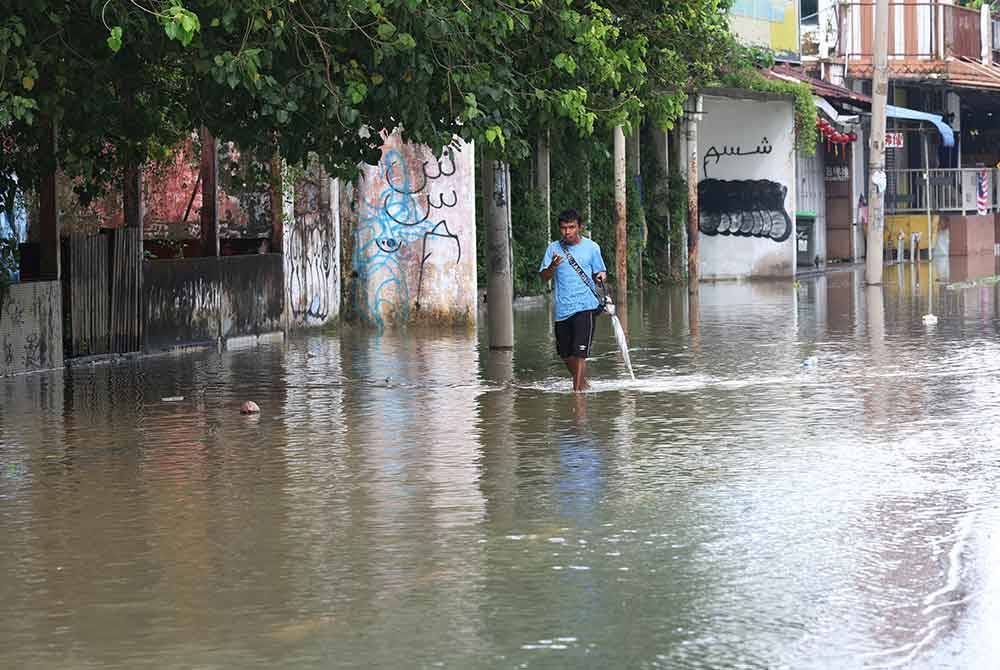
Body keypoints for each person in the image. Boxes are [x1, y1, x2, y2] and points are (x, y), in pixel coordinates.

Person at [539, 209, 608, 391]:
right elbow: (544, 277)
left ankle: (577, 395)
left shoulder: (592, 248)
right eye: (563, 228)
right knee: (565, 354)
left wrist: (601, 276)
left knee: (580, 354)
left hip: (586, 307)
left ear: (579, 227)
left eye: (571, 227)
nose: (567, 232)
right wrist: (553, 266)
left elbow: (600, 271)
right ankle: (583, 385)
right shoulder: (553, 249)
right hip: (563, 309)